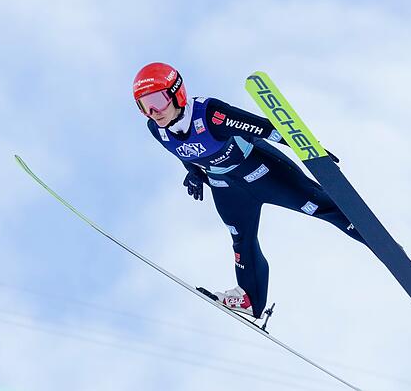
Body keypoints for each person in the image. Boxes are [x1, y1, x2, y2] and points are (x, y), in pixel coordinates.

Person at [133, 62, 367, 318]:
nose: (153, 111)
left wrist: (312, 151)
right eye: (144, 105)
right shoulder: (157, 130)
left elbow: (265, 128)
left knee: (318, 206)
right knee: (241, 240)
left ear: (176, 92)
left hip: (262, 171)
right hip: (227, 188)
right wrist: (194, 174)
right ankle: (251, 300)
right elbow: (183, 152)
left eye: (157, 100)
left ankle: (373, 238)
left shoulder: (209, 114)